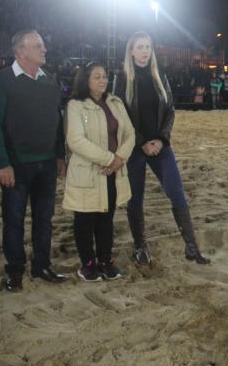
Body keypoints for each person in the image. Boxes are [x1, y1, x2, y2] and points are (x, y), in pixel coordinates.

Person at [114, 31, 210, 265]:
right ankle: (140, 247)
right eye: (140, 47)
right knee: (135, 198)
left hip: (160, 145)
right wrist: (142, 142)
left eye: (148, 46)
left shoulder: (160, 76)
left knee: (176, 192)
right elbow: (120, 116)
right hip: (136, 147)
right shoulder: (122, 78)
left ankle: (191, 246)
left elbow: (170, 111)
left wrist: (161, 139)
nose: (145, 51)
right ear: (131, 51)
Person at [0, 29, 68, 292]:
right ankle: (15, 271)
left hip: (46, 163)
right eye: (38, 46)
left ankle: (42, 265)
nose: (44, 49)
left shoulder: (50, 81)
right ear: (20, 51)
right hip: (16, 164)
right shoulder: (3, 80)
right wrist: (2, 162)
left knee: (45, 217)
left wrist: (59, 155)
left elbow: (57, 122)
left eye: (43, 45)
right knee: (14, 219)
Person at [63, 62, 135, 281]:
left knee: (106, 218)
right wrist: (109, 158)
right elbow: (75, 140)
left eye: (104, 76)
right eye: (97, 77)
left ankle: (105, 260)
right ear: (86, 80)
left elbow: (130, 133)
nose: (103, 80)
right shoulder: (76, 105)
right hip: (88, 171)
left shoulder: (115, 102)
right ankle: (88, 263)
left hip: (113, 171)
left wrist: (120, 158)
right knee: (85, 219)